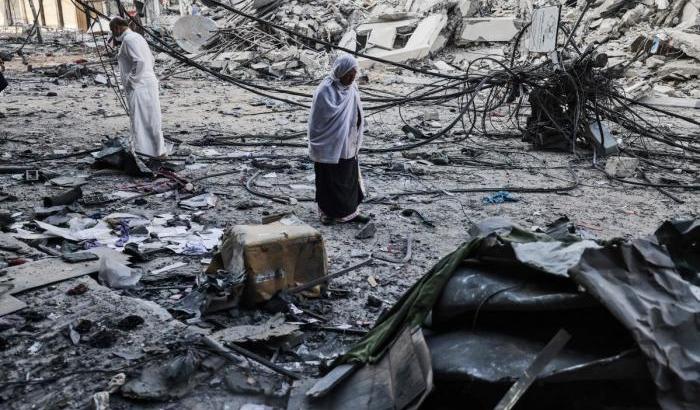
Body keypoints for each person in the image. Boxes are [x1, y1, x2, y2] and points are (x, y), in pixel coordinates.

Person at [308, 54, 369, 225]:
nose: (351, 79)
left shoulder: (352, 89)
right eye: (348, 75)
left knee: (347, 178)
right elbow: (319, 121)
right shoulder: (325, 90)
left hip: (348, 141)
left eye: (354, 75)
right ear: (340, 72)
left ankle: (350, 213)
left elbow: (357, 112)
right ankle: (326, 213)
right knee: (328, 179)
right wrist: (335, 133)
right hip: (329, 144)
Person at [110, 16, 166, 158]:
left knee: (140, 120)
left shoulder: (129, 40)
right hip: (146, 82)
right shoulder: (137, 37)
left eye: (113, 31)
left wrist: (131, 81)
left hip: (140, 86)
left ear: (117, 27)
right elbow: (150, 59)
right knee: (151, 119)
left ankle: (143, 153)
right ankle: (157, 151)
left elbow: (139, 62)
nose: (113, 34)